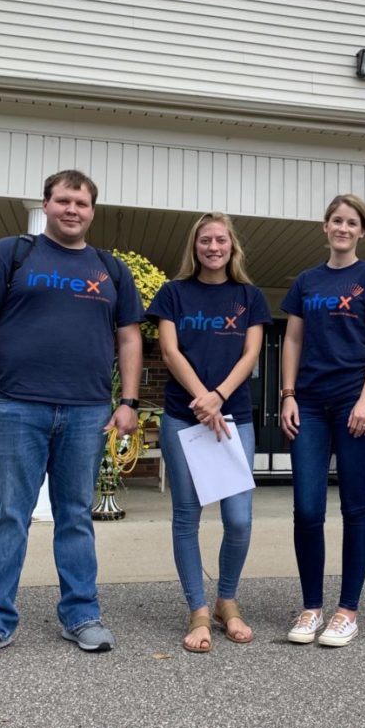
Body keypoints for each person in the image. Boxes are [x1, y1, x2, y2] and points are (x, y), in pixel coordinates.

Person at [0, 170, 144, 665]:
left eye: (81, 202)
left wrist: (129, 401)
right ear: (47, 205)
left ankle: (81, 615)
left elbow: (129, 338)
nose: (72, 210)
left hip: (86, 410)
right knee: (10, 515)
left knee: (76, 516)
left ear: (92, 211)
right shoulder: (11, 253)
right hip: (15, 405)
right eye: (63, 201)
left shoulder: (110, 269)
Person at [147, 212, 271, 654]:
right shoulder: (174, 293)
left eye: (221, 240)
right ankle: (198, 609)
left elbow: (251, 352)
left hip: (233, 418)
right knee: (187, 514)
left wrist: (219, 396)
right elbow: (169, 349)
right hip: (184, 417)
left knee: (238, 518)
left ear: (232, 246)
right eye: (205, 241)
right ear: (195, 247)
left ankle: (227, 601)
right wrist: (202, 399)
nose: (213, 247)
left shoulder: (249, 296)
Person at [280, 195, 365, 647]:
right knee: (307, 508)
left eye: (352, 222)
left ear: (362, 231)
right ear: (325, 227)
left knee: (354, 506)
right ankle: (311, 607)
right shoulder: (307, 281)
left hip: (355, 402)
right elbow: (291, 339)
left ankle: (348, 610)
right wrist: (288, 395)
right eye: (336, 220)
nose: (343, 228)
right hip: (308, 403)